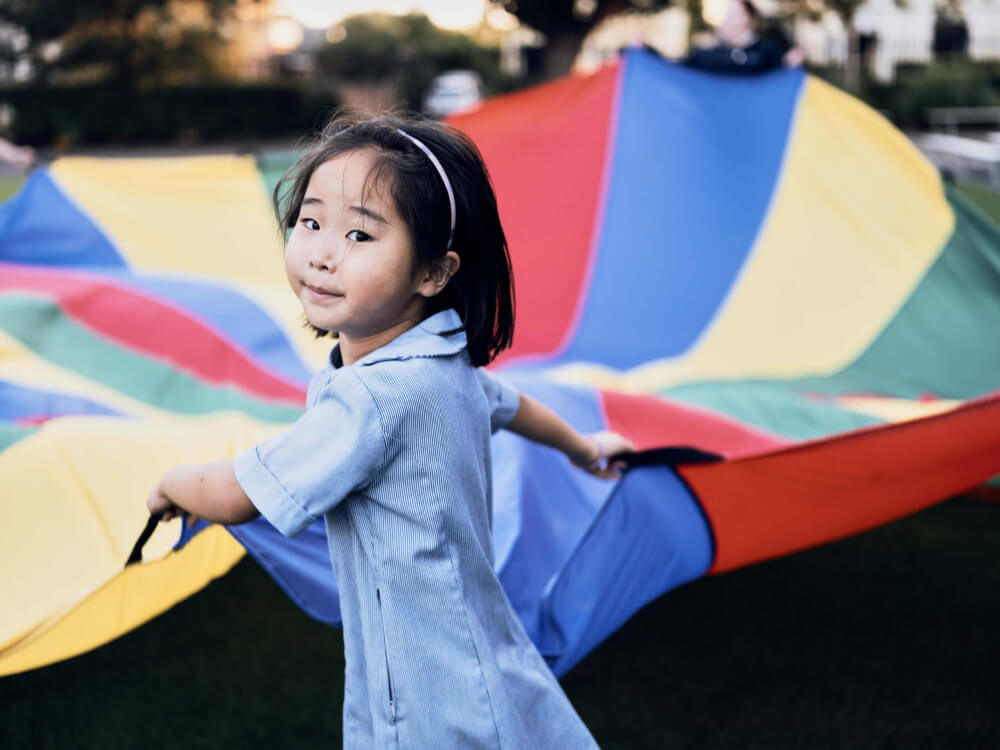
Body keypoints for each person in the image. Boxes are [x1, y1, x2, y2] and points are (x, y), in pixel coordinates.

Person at [146, 112, 636, 749]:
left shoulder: (373, 400)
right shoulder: (440, 360)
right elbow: (510, 403)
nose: (322, 253)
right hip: (484, 654)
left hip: (425, 693)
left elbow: (241, 493)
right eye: (310, 222)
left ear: (432, 273)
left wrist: (172, 484)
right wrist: (585, 447)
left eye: (359, 235)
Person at [685, 0, 804, 74]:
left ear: (748, 19)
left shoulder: (767, 53)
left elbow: (779, 75)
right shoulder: (708, 53)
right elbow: (683, 72)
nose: (728, 21)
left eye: (734, 15)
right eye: (727, 15)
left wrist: (789, 63)